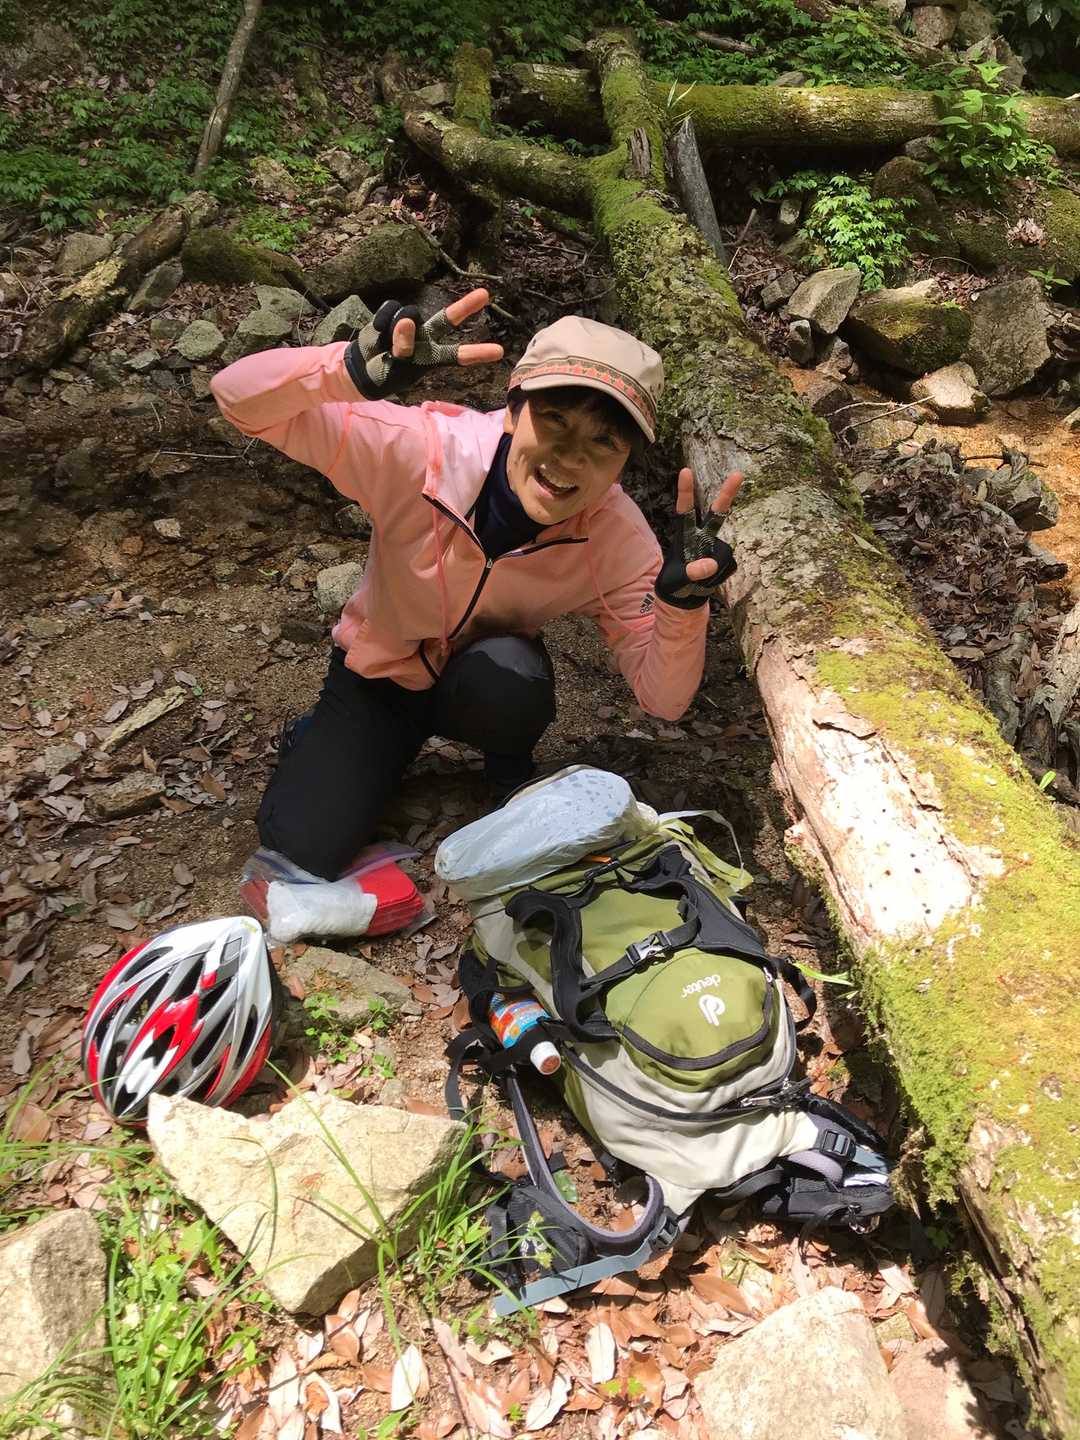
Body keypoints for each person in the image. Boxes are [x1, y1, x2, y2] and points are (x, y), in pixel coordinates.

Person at [211, 289, 742, 935]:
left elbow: (664, 700)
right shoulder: (421, 453)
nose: (571, 457)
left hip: (485, 677)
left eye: (604, 441)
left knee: (512, 675)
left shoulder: (617, 538)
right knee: (300, 846)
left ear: (625, 460)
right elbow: (235, 397)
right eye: (555, 420)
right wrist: (345, 371)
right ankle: (337, 741)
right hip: (380, 672)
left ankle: (504, 760)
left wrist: (682, 608)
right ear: (513, 408)